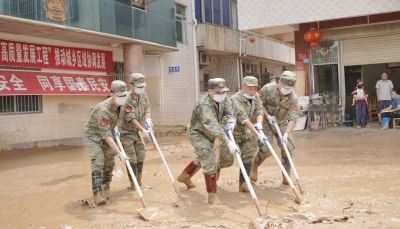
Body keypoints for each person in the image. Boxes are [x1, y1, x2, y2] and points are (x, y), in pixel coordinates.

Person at [176, 78, 239, 204]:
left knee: (204, 157)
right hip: (197, 133)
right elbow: (213, 125)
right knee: (209, 158)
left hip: (210, 134)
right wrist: (228, 142)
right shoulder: (203, 105)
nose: (221, 95)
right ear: (209, 91)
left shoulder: (224, 98)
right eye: (218, 92)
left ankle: (185, 176)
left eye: (223, 92)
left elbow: (229, 112)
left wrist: (231, 122)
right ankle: (212, 195)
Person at [216, 76, 268, 192]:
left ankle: (243, 183)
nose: (252, 91)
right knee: (227, 161)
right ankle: (218, 167)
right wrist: (258, 134)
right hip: (231, 131)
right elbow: (244, 119)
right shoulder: (235, 100)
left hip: (245, 130)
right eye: (249, 88)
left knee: (249, 153)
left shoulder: (256, 97)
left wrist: (259, 124)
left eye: (254, 89)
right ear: (242, 87)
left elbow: (259, 111)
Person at [83, 80, 130, 205]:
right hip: (94, 135)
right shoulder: (103, 110)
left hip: (106, 131)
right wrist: (120, 152)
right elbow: (107, 136)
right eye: (120, 96)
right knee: (98, 161)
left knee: (109, 160)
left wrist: (115, 127)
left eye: (124, 95)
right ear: (112, 94)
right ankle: (97, 195)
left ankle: (106, 186)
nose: (122, 98)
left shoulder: (120, 105)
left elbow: (115, 120)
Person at [250, 71, 299, 185]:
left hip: (281, 123)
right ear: (279, 82)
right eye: (285, 87)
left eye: (289, 88)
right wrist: (267, 115)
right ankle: (255, 165)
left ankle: (286, 175)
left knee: (288, 147)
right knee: (266, 149)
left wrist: (286, 134)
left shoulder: (293, 97)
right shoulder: (268, 89)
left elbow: (293, 117)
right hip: (266, 121)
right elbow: (259, 104)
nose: (287, 90)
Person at [117, 73, 153, 190]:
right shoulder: (126, 99)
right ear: (132, 86)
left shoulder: (143, 96)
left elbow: (146, 108)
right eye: (138, 86)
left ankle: (139, 183)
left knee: (141, 155)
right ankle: (133, 185)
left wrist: (148, 119)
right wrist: (143, 130)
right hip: (126, 133)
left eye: (142, 86)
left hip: (137, 132)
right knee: (131, 158)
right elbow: (131, 118)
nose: (141, 88)